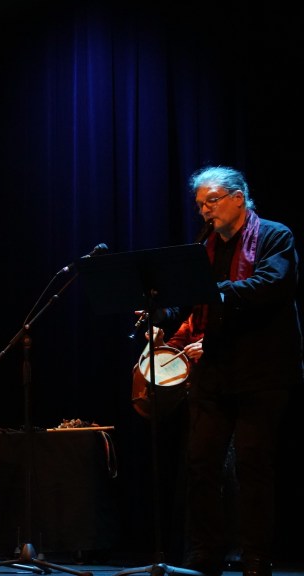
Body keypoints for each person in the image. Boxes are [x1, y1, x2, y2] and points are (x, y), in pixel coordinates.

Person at [161, 166, 302, 576]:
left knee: (252, 465)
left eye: (212, 201)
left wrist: (214, 291)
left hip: (263, 369)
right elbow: (186, 300)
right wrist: (160, 315)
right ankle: (205, 555)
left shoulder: (275, 236)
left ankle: (256, 557)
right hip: (215, 370)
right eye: (200, 204)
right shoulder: (203, 246)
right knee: (201, 463)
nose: (205, 210)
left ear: (238, 197)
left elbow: (272, 284)